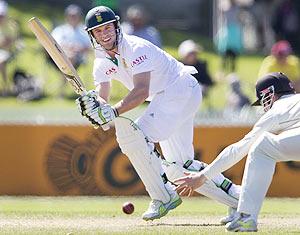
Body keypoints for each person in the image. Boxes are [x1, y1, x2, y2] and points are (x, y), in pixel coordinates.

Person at [75, 6, 241, 222]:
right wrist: (94, 107)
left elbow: (141, 91)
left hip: (178, 88)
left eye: (107, 28)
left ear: (116, 27)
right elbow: (102, 97)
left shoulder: (135, 48)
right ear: (92, 35)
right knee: (178, 168)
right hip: (173, 96)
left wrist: (113, 111)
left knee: (132, 136)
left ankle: (162, 197)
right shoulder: (100, 62)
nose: (104, 34)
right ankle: (239, 201)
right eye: (98, 31)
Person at [175, 72, 300, 232]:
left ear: (268, 94)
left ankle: (246, 217)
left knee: (262, 147)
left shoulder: (278, 109)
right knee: (265, 147)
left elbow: (239, 149)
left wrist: (202, 176)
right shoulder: (294, 103)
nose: (263, 105)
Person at [51, 4, 91, 97]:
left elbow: (89, 47)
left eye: (75, 16)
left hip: (78, 59)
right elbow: (55, 44)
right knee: (68, 57)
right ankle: (73, 88)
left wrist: (78, 48)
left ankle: (62, 90)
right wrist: (69, 48)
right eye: (71, 15)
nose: (73, 18)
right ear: (67, 17)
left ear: (79, 17)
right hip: (58, 58)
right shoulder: (60, 30)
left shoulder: (84, 31)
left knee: (70, 58)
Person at [215, 0, 243, 73]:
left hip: (235, 31)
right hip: (227, 30)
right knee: (224, 52)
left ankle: (232, 71)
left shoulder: (239, 7)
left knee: (234, 52)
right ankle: (223, 69)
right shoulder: (225, 7)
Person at [0, 0, 19, 95]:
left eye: (2, 15)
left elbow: (9, 44)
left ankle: (5, 88)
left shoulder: (11, 26)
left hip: (8, 53)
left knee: (1, 61)